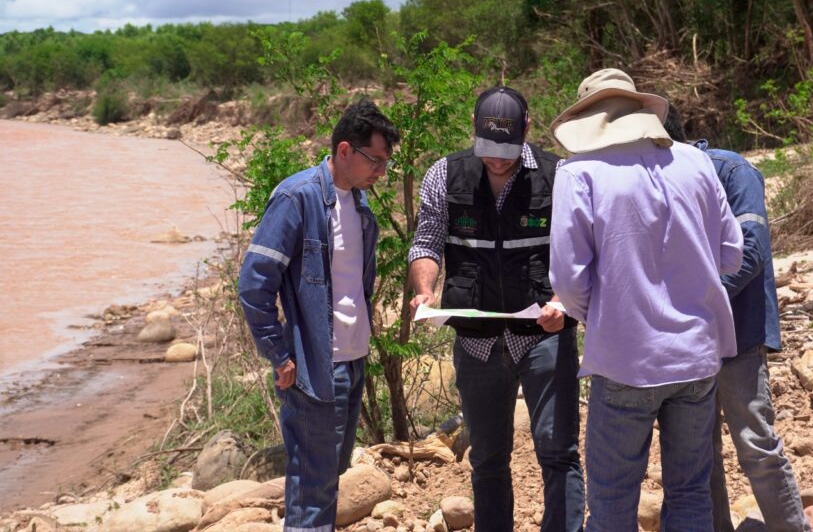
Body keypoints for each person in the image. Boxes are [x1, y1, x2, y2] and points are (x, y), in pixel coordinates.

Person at [548, 68, 744, 532]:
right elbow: (732, 254)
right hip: (697, 355)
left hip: (625, 360)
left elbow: (567, 280)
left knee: (612, 502)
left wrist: (603, 316)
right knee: (691, 492)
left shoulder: (578, 172)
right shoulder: (695, 163)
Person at [408, 85, 584, 532]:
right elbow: (426, 242)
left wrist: (563, 302)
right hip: (477, 342)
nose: (498, 161)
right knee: (487, 459)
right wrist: (425, 290)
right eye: (488, 150)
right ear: (473, 128)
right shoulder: (444, 174)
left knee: (557, 451)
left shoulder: (559, 175)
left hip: (544, 335)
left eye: (507, 151)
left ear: (527, 129)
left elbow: (581, 251)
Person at [238, 98, 399, 532]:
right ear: (344, 150)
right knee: (312, 489)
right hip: (312, 367)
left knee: (328, 479)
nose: (381, 172)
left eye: (385, 163)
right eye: (375, 161)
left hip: (352, 361)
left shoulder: (362, 208)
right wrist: (279, 354)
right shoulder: (298, 197)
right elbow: (254, 282)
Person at [662, 107, 810, 532]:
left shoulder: (732, 171)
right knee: (698, 454)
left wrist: (695, 302)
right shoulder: (652, 179)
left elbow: (751, 250)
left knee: (755, 443)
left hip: (737, 333)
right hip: (687, 338)